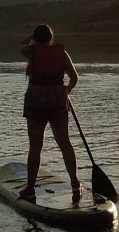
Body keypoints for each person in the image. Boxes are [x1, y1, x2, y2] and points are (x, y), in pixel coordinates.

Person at [19, 24, 82, 203]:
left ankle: (30, 189)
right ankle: (75, 183)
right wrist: (65, 93)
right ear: (51, 38)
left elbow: (21, 46)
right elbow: (74, 78)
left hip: (36, 101)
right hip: (57, 101)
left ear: (36, 38)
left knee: (35, 146)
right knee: (65, 143)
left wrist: (31, 38)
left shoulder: (31, 52)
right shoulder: (62, 53)